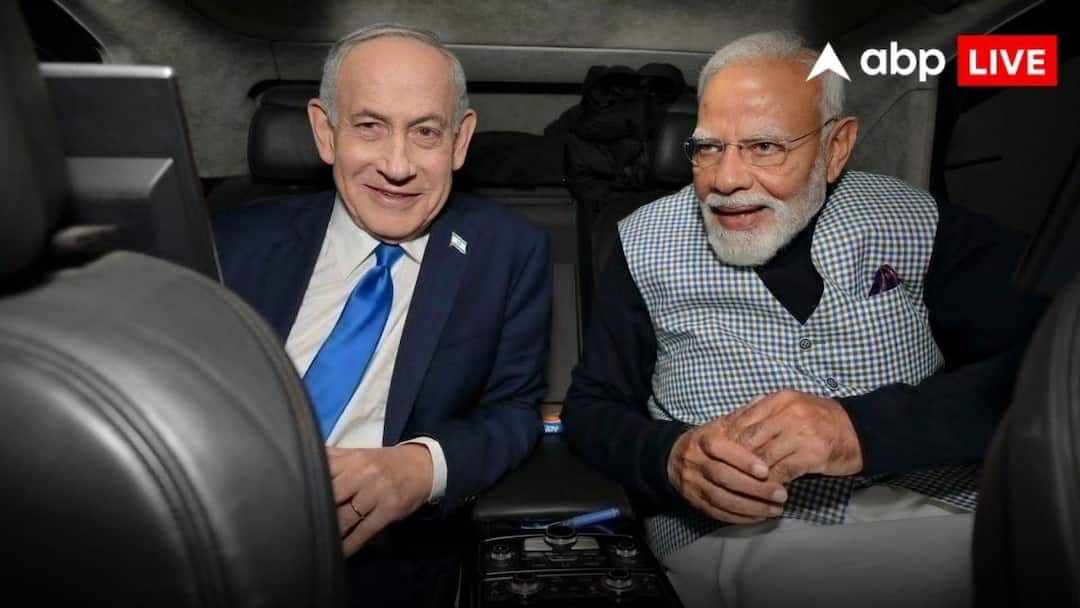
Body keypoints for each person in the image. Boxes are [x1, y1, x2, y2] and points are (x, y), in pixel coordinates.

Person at [561, 30, 1046, 608]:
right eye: (708, 147)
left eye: (765, 146)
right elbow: (592, 408)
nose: (726, 179)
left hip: (947, 511)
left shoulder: (917, 221)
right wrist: (669, 458)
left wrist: (862, 430)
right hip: (742, 539)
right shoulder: (643, 243)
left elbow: (1046, 364)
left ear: (836, 146)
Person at [212, 24, 551, 607]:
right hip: (208, 528)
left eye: (426, 132)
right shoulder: (231, 240)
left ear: (460, 142)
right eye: (369, 126)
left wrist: (418, 470)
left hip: (378, 562)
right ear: (326, 132)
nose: (398, 166)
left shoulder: (508, 252)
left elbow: (515, 410)